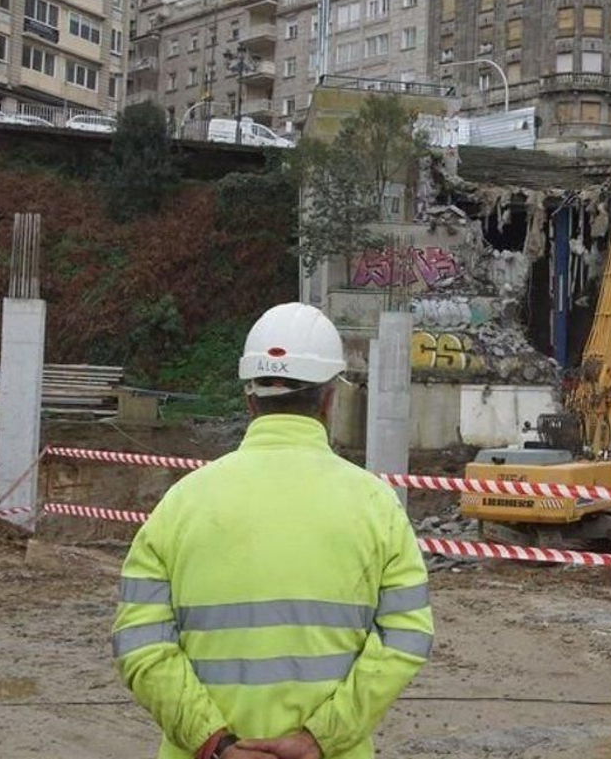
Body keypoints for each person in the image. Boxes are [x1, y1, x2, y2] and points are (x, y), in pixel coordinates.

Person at [112, 303, 433, 759]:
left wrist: (215, 741)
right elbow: (407, 636)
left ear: (250, 400)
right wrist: (320, 738)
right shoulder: (376, 506)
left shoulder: (180, 504)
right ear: (329, 399)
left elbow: (139, 643)